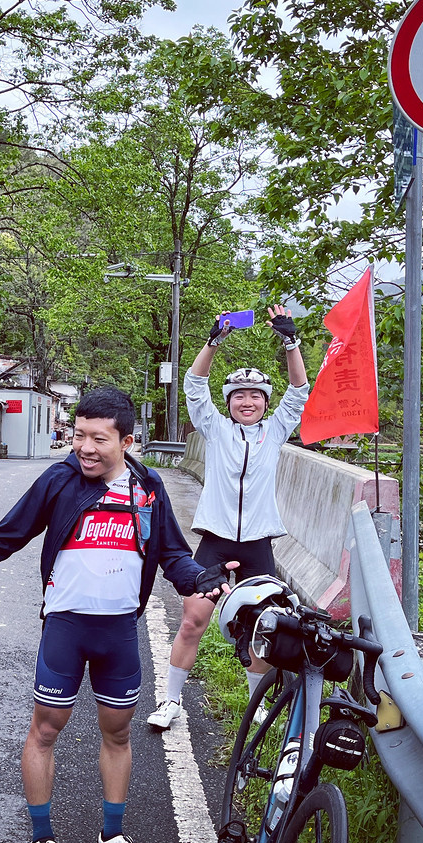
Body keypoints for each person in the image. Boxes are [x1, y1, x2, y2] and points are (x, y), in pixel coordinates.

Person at [0, 386, 235, 843]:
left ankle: (111, 835)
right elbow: (3, 537)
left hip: (119, 632)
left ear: (128, 441)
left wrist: (199, 578)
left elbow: (172, 554)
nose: (85, 448)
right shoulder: (59, 480)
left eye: (99, 439)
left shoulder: (148, 487)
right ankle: (41, 839)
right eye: (78, 435)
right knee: (46, 729)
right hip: (66, 630)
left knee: (117, 733)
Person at [146, 305, 309, 730]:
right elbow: (194, 385)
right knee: (193, 619)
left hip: (258, 545)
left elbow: (299, 392)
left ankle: (257, 717)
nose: (248, 401)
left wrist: (291, 343)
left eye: (255, 396)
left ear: (264, 403)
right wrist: (213, 340)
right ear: (230, 402)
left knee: (263, 627)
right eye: (239, 395)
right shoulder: (215, 429)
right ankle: (170, 701)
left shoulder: (275, 432)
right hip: (216, 541)